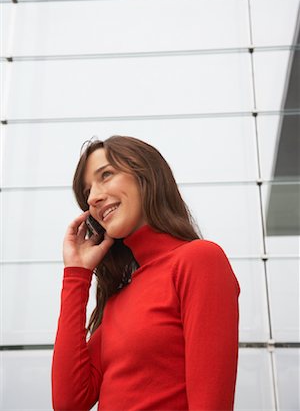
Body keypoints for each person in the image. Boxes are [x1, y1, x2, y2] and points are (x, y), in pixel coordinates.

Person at [51, 135, 240, 411]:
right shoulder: (119, 299)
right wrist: (76, 275)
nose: (93, 197)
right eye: (87, 191)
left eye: (106, 175)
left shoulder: (199, 260)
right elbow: (69, 402)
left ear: (146, 176)